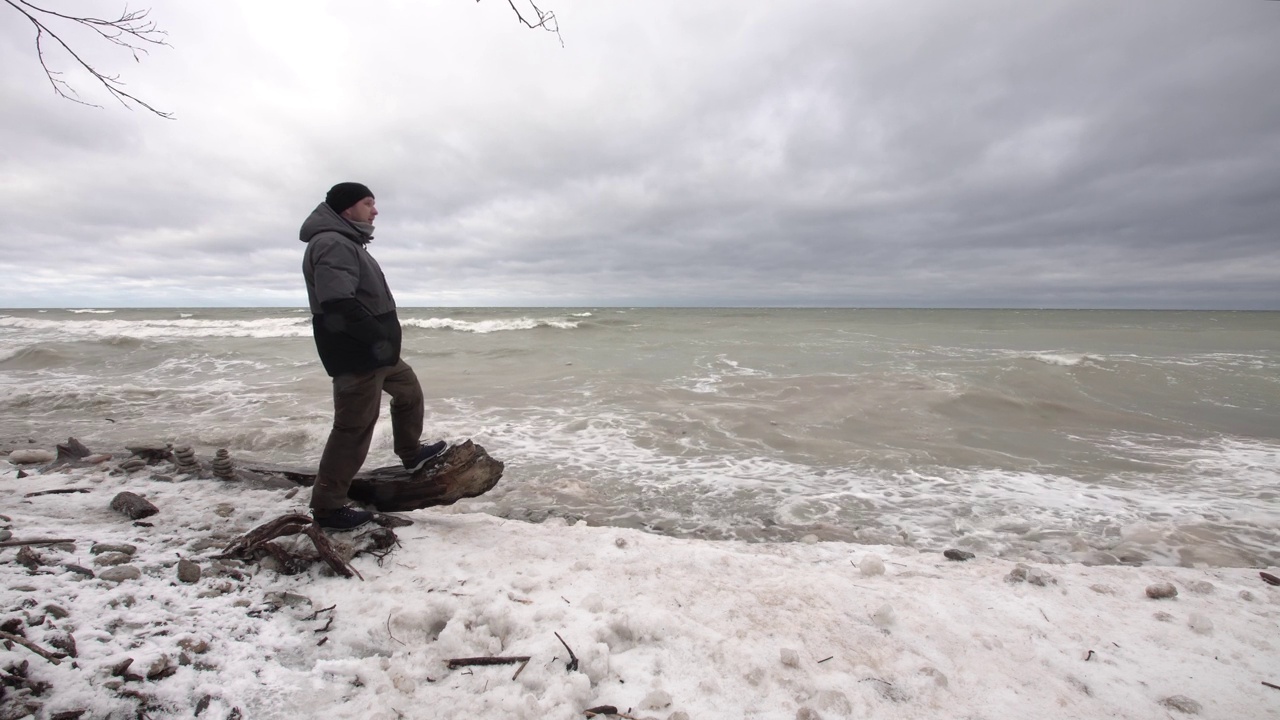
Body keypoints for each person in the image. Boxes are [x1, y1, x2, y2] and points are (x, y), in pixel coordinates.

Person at [300, 182, 446, 530]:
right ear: (347, 208)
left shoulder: (347, 241)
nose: (375, 211)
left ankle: (410, 454)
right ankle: (328, 508)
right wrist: (378, 336)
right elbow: (338, 302)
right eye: (368, 203)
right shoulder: (332, 242)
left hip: (377, 353)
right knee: (353, 429)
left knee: (408, 391)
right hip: (357, 354)